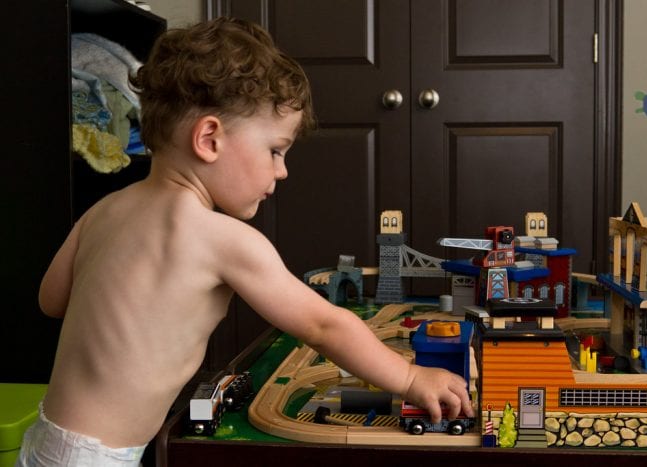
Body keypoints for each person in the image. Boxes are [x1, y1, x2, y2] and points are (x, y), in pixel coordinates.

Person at [17, 17, 473, 467]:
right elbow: (323, 326)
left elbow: (51, 300)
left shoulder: (104, 210)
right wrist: (411, 377)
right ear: (209, 138)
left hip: (46, 437)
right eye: (275, 150)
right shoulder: (222, 239)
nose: (282, 170)